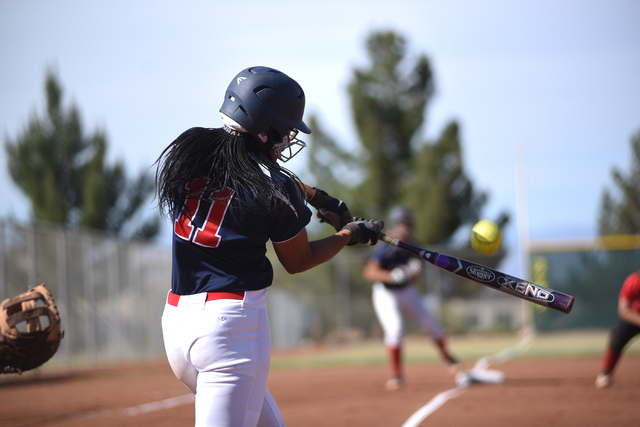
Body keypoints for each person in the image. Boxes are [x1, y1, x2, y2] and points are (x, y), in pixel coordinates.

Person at [154, 66, 384, 426]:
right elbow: (298, 260)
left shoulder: (191, 152)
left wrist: (316, 196)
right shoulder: (276, 188)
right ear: (265, 130)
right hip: (231, 331)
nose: (288, 139)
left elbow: (253, 172)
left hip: (177, 322)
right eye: (286, 131)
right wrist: (349, 235)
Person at [362, 205, 459, 391]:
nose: (406, 227)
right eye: (402, 223)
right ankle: (396, 374)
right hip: (385, 292)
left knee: (434, 327)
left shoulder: (414, 245)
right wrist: (390, 276)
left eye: (408, 224)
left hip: (406, 290)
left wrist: (413, 274)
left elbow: (416, 277)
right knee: (396, 330)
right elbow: (369, 272)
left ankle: (449, 359)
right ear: (393, 225)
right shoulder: (387, 246)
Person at [595, 267, 640, 388]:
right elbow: (624, 311)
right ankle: (606, 372)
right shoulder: (634, 282)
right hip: (635, 317)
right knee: (618, 336)